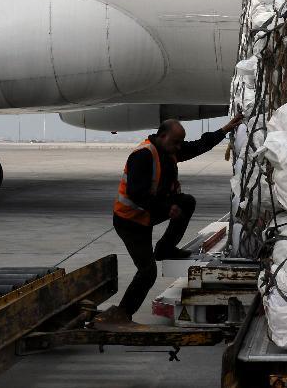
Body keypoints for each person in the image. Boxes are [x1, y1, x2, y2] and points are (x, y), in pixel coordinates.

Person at [93, 115, 243, 326]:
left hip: (147, 213)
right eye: (175, 142)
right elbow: (136, 193)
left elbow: (199, 145)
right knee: (148, 272)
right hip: (130, 222)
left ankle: (165, 248)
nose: (179, 147)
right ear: (162, 136)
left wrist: (224, 129)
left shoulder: (170, 150)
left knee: (186, 202)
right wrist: (166, 207)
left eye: (180, 142)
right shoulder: (143, 156)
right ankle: (122, 313)